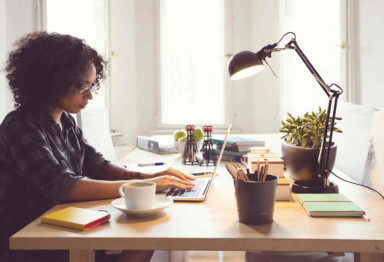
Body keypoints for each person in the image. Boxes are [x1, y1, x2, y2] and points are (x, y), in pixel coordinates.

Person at [0, 31, 195, 261]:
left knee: (146, 236)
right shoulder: (20, 125)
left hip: (66, 226)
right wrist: (148, 184)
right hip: (32, 240)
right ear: (53, 82)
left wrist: (151, 177)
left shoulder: (65, 121)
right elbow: (64, 187)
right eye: (83, 87)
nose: (90, 96)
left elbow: (97, 165)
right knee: (143, 237)